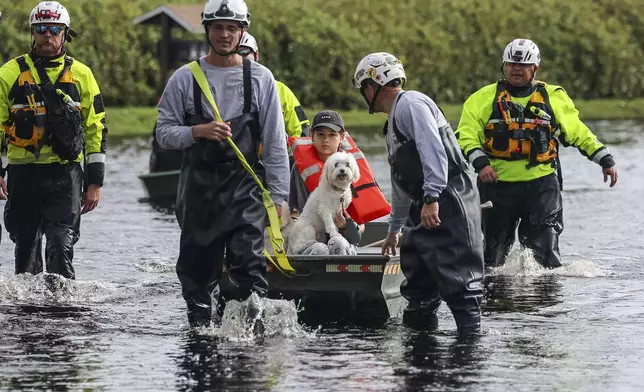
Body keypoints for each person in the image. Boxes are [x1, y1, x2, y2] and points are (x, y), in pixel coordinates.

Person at [155, 0, 289, 327]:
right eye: (218, 27)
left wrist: (281, 198)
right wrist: (196, 131)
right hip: (198, 191)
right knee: (197, 275)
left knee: (249, 267)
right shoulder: (183, 79)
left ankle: (249, 343)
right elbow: (163, 134)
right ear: (207, 30)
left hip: (245, 189)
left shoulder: (261, 78)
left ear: (243, 31)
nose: (225, 34)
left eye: (232, 28)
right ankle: (201, 339)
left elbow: (274, 142)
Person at [456, 38, 618, 269]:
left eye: (522, 65)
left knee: (545, 258)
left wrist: (604, 158)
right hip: (497, 185)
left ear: (535, 68)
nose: (516, 69)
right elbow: (465, 135)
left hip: (542, 186)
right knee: (493, 256)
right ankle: (495, 302)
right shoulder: (481, 98)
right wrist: (481, 164)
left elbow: (577, 131)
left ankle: (545, 301)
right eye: (511, 64)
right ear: (504, 66)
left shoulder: (553, 97)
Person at [352, 52, 484, 335]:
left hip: (449, 200)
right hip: (424, 205)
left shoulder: (411, 104)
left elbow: (432, 149)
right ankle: (420, 360)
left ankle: (470, 357)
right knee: (418, 289)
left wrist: (432, 197)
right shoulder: (393, 122)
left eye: (364, 88)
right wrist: (394, 230)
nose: (364, 95)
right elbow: (400, 183)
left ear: (372, 86)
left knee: (460, 285)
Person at [0, 1, 106, 279]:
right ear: (32, 33)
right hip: (23, 176)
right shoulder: (9, 74)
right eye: (42, 29)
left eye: (55, 30)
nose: (48, 36)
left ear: (65, 33)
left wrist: (94, 182)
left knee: (61, 246)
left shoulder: (82, 75)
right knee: (26, 253)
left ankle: (63, 314)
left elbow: (96, 128)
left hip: (65, 175)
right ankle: (28, 317)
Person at [288, 110, 365, 256]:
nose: (326, 140)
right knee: (320, 249)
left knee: (338, 243)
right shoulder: (299, 168)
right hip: (312, 237)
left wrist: (346, 226)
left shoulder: (353, 166)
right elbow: (295, 213)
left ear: (342, 137)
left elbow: (362, 225)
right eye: (320, 134)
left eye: (332, 134)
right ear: (312, 136)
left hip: (343, 238)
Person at [239, 33, 310, 139]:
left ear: (256, 55)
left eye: (243, 52)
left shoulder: (281, 90)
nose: (238, 57)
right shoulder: (220, 89)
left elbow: (300, 130)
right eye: (233, 54)